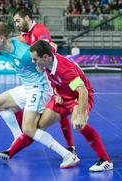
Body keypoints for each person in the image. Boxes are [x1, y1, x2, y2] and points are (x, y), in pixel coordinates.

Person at [0, 22, 79, 168]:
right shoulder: (7, 45)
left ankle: (67, 155)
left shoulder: (25, 54)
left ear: (1, 38)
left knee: (29, 129)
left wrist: (57, 90)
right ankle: (17, 138)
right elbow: (24, 37)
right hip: (27, 87)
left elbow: (49, 62)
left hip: (40, 88)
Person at [30, 40, 113, 172]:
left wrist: (80, 114)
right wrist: (56, 91)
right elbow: (52, 47)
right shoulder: (48, 58)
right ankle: (70, 149)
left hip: (79, 95)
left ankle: (106, 161)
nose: (33, 62)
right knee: (40, 125)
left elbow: (83, 91)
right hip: (64, 94)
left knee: (78, 124)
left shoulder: (65, 70)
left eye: (35, 59)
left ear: (45, 57)